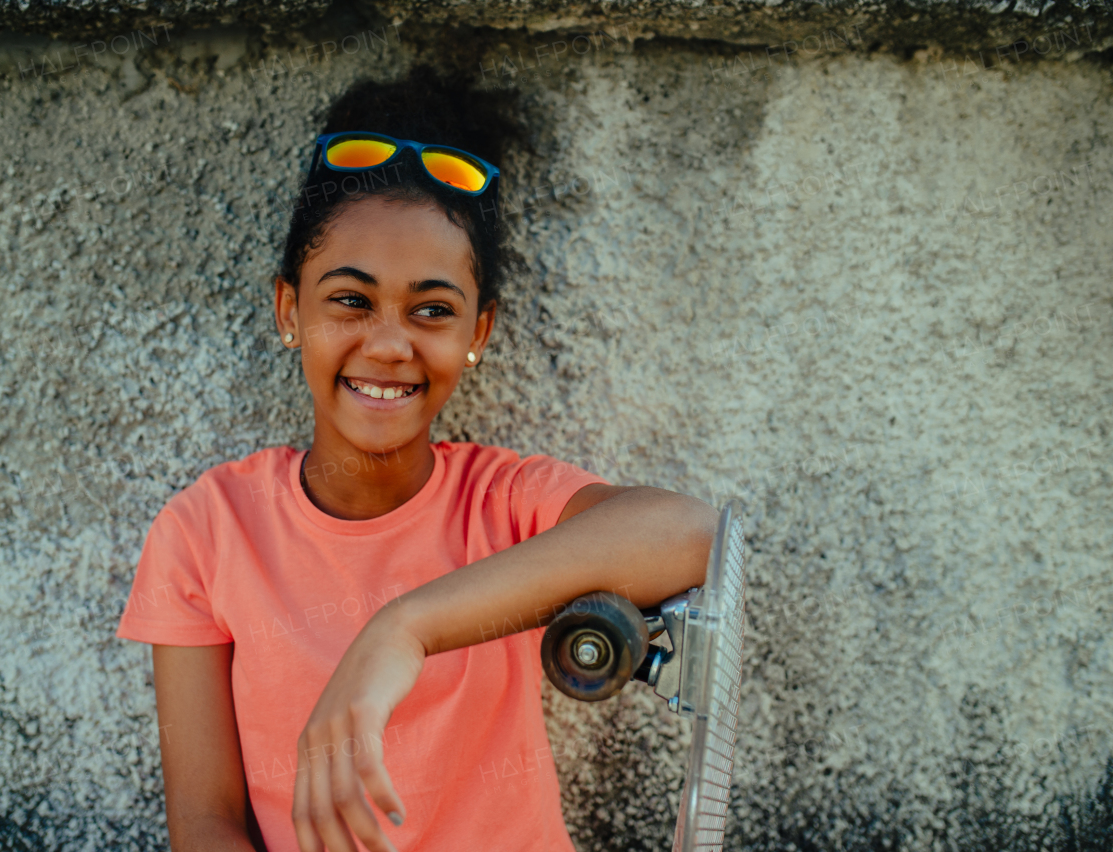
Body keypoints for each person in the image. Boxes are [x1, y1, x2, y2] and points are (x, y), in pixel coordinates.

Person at [115, 65, 719, 852]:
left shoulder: (503, 504)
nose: (390, 343)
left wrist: (401, 630)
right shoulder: (207, 530)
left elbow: (693, 532)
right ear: (289, 309)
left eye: (432, 310)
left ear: (478, 332)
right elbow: (205, 822)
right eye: (351, 300)